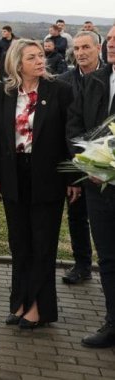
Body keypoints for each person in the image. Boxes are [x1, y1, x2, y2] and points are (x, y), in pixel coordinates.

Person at [0, 39, 78, 328]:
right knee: (19, 244)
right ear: (17, 63)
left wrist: (72, 178)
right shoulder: (2, 93)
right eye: (32, 57)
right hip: (14, 175)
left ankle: (39, 307)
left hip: (48, 178)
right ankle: (20, 303)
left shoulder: (60, 91)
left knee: (43, 244)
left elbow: (71, 139)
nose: (41, 61)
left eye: (41, 56)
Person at [66, 24, 115, 348]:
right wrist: (91, 165)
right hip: (100, 185)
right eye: (111, 38)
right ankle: (113, 322)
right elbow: (76, 124)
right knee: (109, 257)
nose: (112, 44)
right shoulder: (95, 81)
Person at [57, 31, 103, 285]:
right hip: (74, 161)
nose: (81, 53)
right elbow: (63, 127)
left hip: (107, 162)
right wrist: (73, 172)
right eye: (76, 48)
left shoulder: (109, 79)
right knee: (77, 216)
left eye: (86, 47)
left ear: (98, 49)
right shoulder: (64, 82)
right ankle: (82, 264)